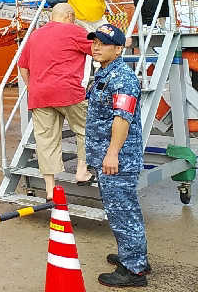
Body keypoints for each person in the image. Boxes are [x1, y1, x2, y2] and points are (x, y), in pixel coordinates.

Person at [86, 23, 149, 287]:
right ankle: (133, 256)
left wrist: (112, 154)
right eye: (94, 42)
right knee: (120, 210)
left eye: (103, 43)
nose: (96, 46)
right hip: (107, 156)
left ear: (119, 48)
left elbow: (122, 119)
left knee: (123, 211)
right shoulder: (104, 74)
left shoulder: (122, 77)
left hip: (117, 159)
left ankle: (133, 269)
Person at [18, 3, 94, 200]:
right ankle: (81, 170)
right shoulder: (75, 31)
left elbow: (23, 67)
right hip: (68, 92)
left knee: (45, 140)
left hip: (39, 95)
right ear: (69, 16)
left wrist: (33, 87)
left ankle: (51, 188)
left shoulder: (35, 35)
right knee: (85, 129)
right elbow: (97, 50)